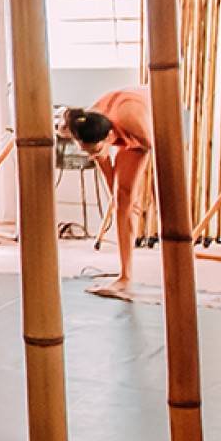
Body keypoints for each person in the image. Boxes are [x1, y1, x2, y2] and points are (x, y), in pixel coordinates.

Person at [63, 87, 153, 297]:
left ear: (110, 136)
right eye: (86, 150)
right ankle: (125, 275)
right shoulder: (87, 124)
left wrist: (142, 196)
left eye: (94, 150)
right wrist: (119, 198)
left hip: (146, 120)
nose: (90, 154)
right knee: (122, 202)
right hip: (119, 124)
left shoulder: (136, 124)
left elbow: (158, 152)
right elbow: (104, 165)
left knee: (128, 198)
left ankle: (126, 275)